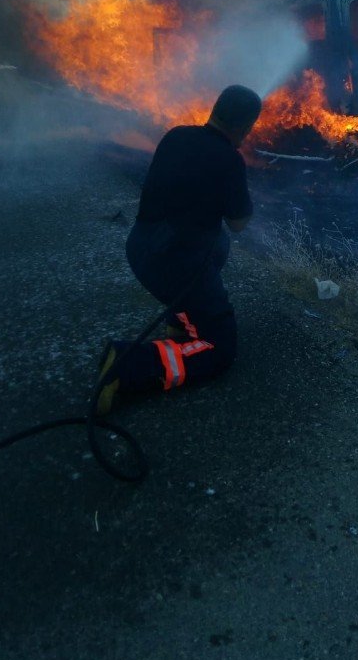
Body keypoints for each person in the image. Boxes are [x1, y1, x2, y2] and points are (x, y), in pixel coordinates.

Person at [96, 84, 262, 415]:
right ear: (246, 127)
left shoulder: (176, 135)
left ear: (214, 109)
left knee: (216, 243)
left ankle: (181, 322)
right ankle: (127, 365)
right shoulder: (230, 159)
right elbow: (240, 222)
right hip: (172, 268)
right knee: (219, 350)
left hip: (140, 248)